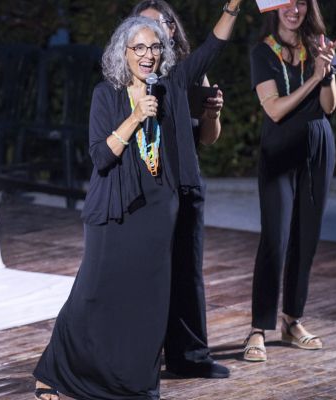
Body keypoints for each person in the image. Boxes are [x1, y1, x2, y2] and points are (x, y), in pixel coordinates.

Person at [32, 1, 245, 399]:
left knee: (148, 304)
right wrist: (134, 117)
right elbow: (101, 156)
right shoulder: (106, 95)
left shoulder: (170, 87)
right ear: (123, 52)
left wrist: (233, 7)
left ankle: (135, 384)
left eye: (155, 48)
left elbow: (212, 48)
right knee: (92, 294)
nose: (148, 55)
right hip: (114, 209)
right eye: (140, 48)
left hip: (156, 213)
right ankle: (54, 373)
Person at [130, 0, 228, 379]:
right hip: (152, 185)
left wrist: (212, 115)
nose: (156, 32)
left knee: (188, 272)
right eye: (146, 26)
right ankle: (144, 356)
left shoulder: (191, 72)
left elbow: (208, 138)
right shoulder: (133, 73)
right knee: (151, 272)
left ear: (173, 31)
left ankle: (189, 356)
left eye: (163, 24)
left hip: (187, 181)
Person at [243, 0, 336, 361]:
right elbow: (274, 109)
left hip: (318, 145)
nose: (293, 9)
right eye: (286, 2)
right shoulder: (263, 52)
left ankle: (292, 320)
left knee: (306, 236)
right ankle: (257, 328)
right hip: (279, 149)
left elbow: (330, 106)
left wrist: (327, 72)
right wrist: (314, 77)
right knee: (276, 237)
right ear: (274, 8)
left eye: (300, 2)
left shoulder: (319, 45)